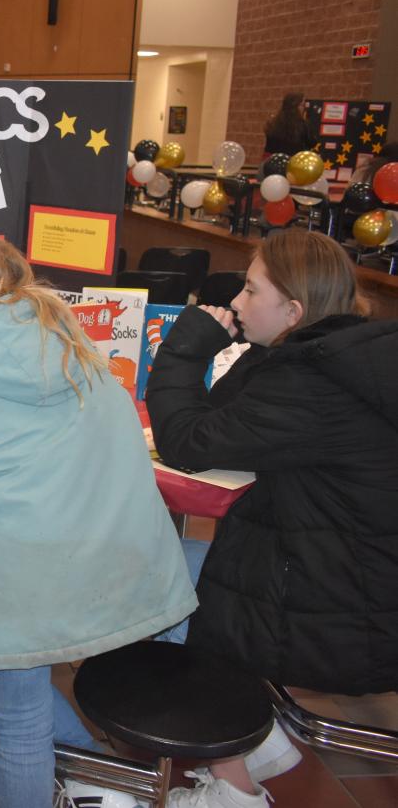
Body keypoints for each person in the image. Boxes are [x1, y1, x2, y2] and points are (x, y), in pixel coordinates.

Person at [0, 226, 198, 808]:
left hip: (18, 583)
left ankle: (97, 775)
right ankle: (100, 776)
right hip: (121, 569)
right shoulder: (70, 338)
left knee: (16, 720)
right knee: (21, 697)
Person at [147, 230, 398, 808]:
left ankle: (232, 786)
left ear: (294, 311)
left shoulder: (312, 383)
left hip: (338, 607)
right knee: (171, 562)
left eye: (250, 290)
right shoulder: (335, 360)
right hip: (355, 579)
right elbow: (224, 420)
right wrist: (259, 348)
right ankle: (252, 743)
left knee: (152, 574)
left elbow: (188, 440)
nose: (235, 302)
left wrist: (184, 350)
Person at [263, 92, 317, 157]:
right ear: (295, 106)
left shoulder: (273, 123)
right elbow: (312, 142)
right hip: (294, 163)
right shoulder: (302, 125)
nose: (304, 108)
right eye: (302, 105)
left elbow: (268, 148)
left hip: (274, 161)